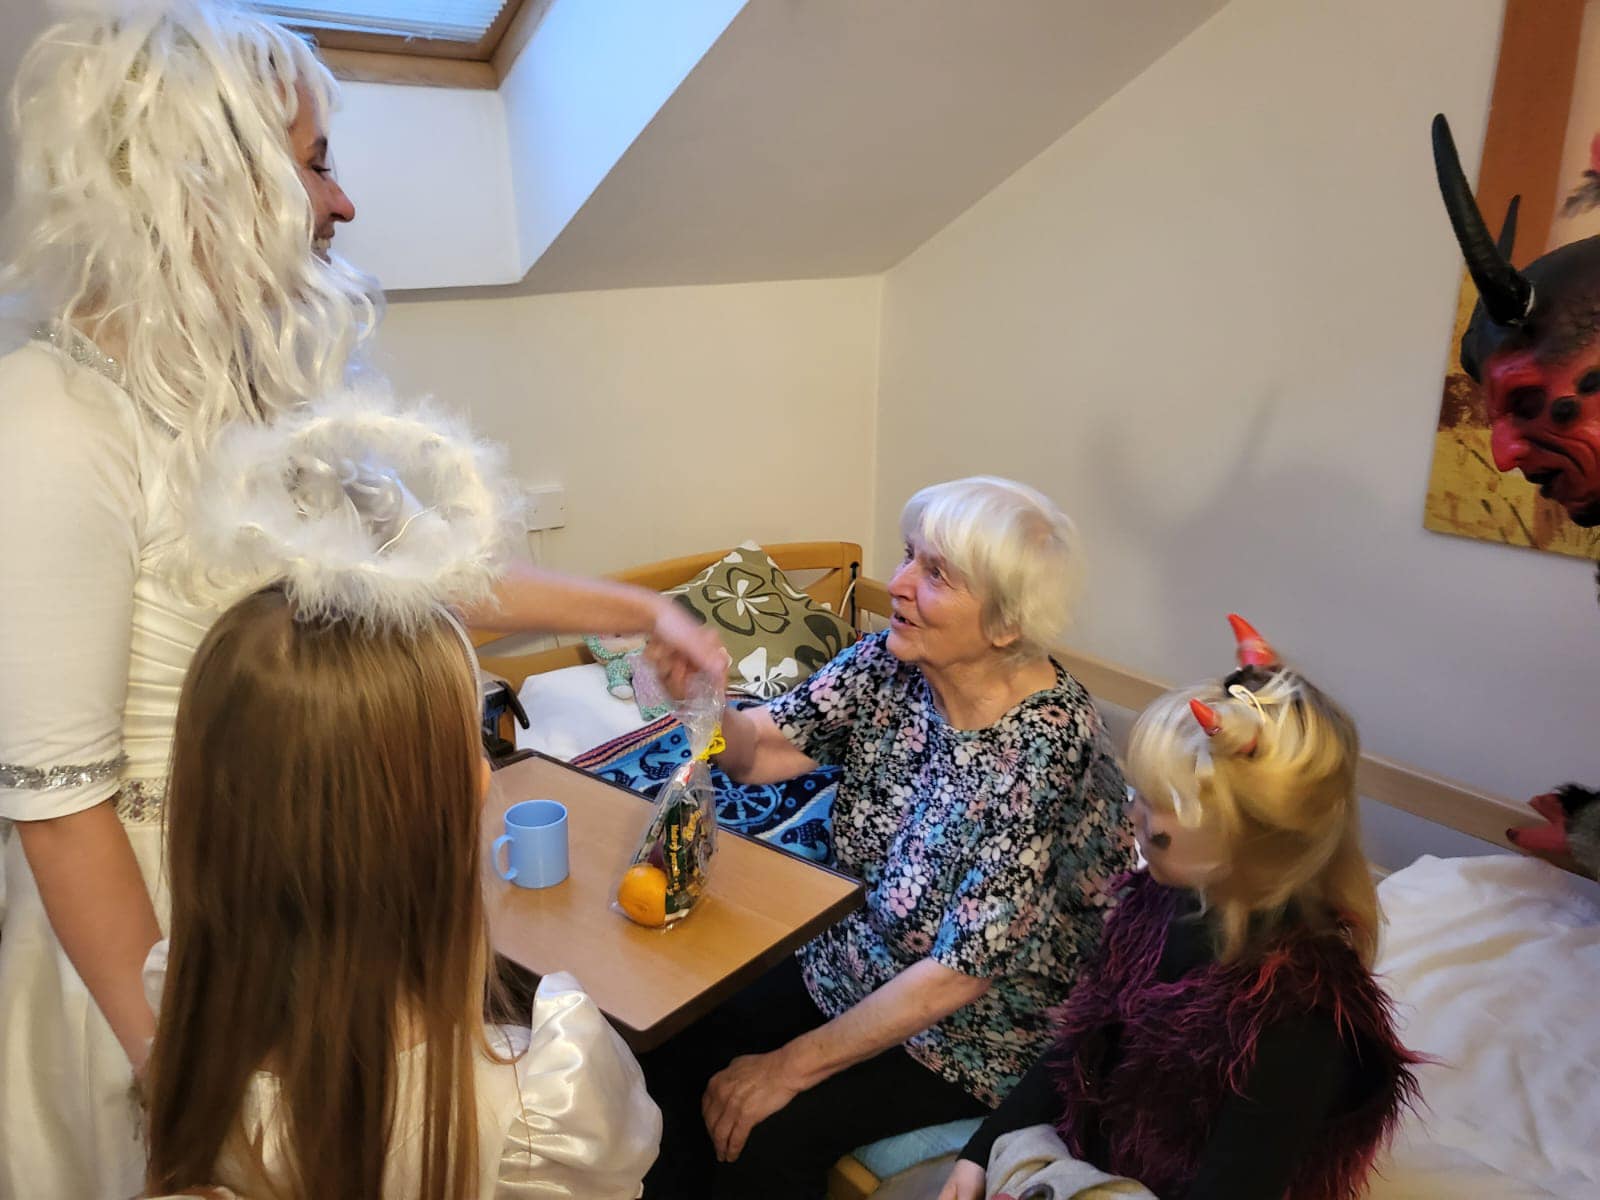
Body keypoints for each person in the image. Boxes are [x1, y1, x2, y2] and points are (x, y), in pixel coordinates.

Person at [0, 5, 719, 1197]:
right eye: (315, 164)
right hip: (176, 934)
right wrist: (186, 1086)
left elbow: (423, 581)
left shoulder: (267, 387)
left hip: (333, 901)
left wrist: (639, 612)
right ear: (206, 177)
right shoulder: (50, 422)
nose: (343, 203)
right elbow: (61, 808)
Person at [143, 394, 659, 1199]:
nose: (485, 769)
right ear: (432, 804)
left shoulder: (181, 1020)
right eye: (471, 742)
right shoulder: (543, 1101)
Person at [644, 476, 1135, 1198]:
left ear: (1005, 622)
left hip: (980, 1030)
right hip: (856, 959)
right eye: (909, 556)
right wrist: (704, 701)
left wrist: (786, 1068)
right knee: (671, 1041)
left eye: (936, 574)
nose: (898, 583)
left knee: (763, 1141)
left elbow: (962, 972)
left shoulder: (1048, 749)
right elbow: (763, 752)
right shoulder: (889, 662)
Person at [938, 617, 1420, 1200]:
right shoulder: (1159, 900)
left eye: (1155, 807)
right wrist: (983, 1150)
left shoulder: (1297, 1019)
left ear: (1244, 839)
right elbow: (1083, 1042)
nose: (1132, 815)